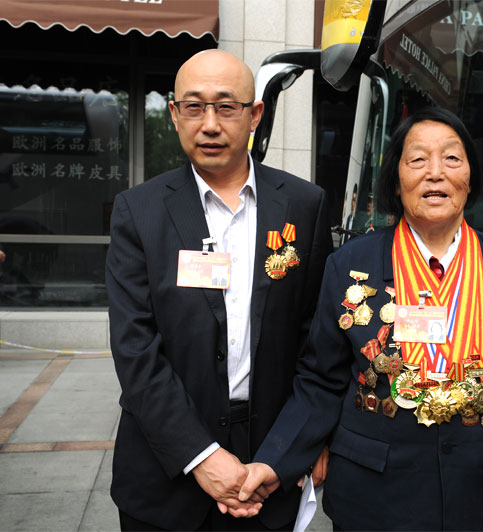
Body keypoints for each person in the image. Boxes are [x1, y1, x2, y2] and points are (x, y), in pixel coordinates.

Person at [239, 107, 483, 530]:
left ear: (470, 178)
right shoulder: (350, 266)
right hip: (374, 500)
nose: (435, 173)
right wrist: (275, 461)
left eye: (452, 158)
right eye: (418, 159)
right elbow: (320, 381)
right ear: (396, 180)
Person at [105, 49, 333, 531]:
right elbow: (134, 349)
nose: (209, 124)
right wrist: (201, 455)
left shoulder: (304, 204)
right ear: (174, 114)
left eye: (227, 107)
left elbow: (317, 343)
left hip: (269, 468)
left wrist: (291, 449)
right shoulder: (139, 211)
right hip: (166, 472)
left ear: (255, 114)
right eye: (193, 106)